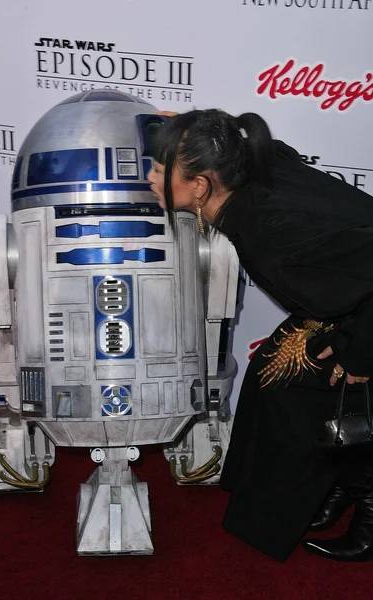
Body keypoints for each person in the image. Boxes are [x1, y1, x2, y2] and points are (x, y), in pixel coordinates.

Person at [147, 108, 373, 563]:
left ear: (201, 185)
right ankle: (336, 488)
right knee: (271, 371)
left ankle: (369, 506)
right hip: (355, 297)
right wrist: (196, 131)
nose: (150, 177)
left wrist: (362, 355)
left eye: (160, 167)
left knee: (315, 390)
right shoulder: (250, 168)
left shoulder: (267, 233)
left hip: (367, 311)